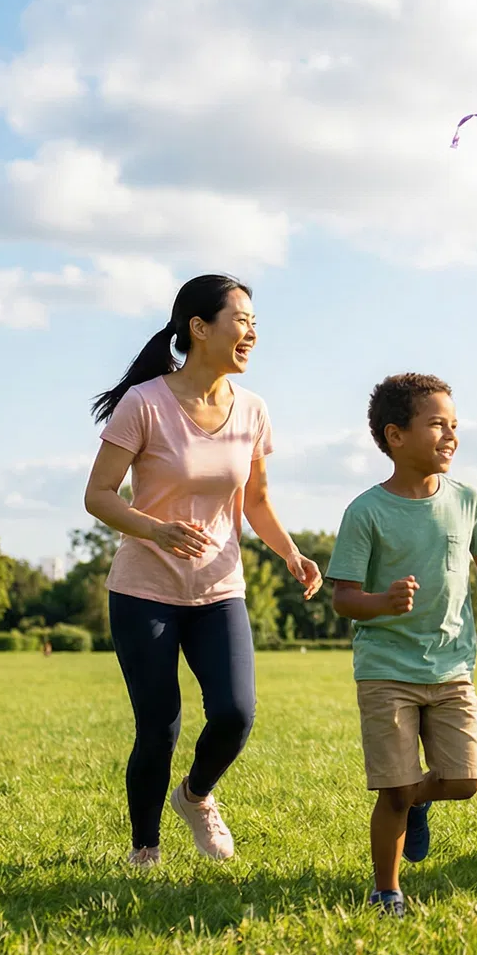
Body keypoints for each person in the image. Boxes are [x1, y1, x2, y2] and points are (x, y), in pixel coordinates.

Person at [83, 274, 321, 869]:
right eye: (241, 320)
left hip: (219, 588)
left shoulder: (254, 410)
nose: (252, 333)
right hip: (145, 590)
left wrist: (290, 552)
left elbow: (257, 502)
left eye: (255, 323)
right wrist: (154, 528)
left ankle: (195, 796)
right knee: (159, 728)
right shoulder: (146, 403)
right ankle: (145, 849)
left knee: (236, 713)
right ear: (199, 327)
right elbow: (99, 495)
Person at [327, 373, 477, 916]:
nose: (450, 436)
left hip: (452, 667)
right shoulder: (366, 511)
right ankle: (387, 890)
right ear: (395, 436)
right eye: (437, 425)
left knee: (466, 780)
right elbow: (343, 599)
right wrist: (382, 603)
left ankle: (412, 799)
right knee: (392, 792)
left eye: (455, 425)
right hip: (385, 668)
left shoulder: (467, 500)